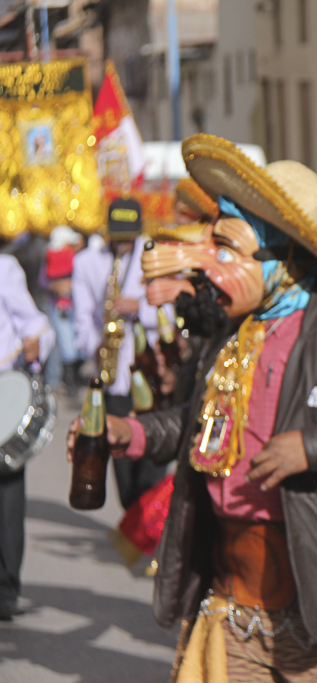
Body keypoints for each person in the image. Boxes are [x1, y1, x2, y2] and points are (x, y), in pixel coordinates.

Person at [67, 134, 317, 681]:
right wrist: (131, 433)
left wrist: (312, 447)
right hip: (229, 610)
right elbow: (201, 425)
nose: (207, 270)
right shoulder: (233, 331)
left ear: (284, 257)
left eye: (227, 252)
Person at [72, 199, 169, 510]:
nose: (124, 243)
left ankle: (150, 536)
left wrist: (139, 307)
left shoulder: (155, 255)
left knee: (154, 464)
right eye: (119, 236)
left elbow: (171, 310)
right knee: (124, 474)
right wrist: (97, 349)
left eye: (129, 236)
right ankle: (136, 526)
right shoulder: (88, 262)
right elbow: (82, 317)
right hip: (113, 377)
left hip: (150, 371)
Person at [0, 253, 54, 620]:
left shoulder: (4, 268)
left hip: (2, 390)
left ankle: (5, 588)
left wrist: (36, 345)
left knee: (6, 495)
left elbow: (38, 326)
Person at [42, 225, 84, 393]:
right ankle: (68, 379)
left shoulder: (74, 258)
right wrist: (58, 286)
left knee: (75, 343)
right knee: (67, 344)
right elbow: (44, 282)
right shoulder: (59, 258)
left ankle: (72, 376)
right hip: (60, 307)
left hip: (74, 307)